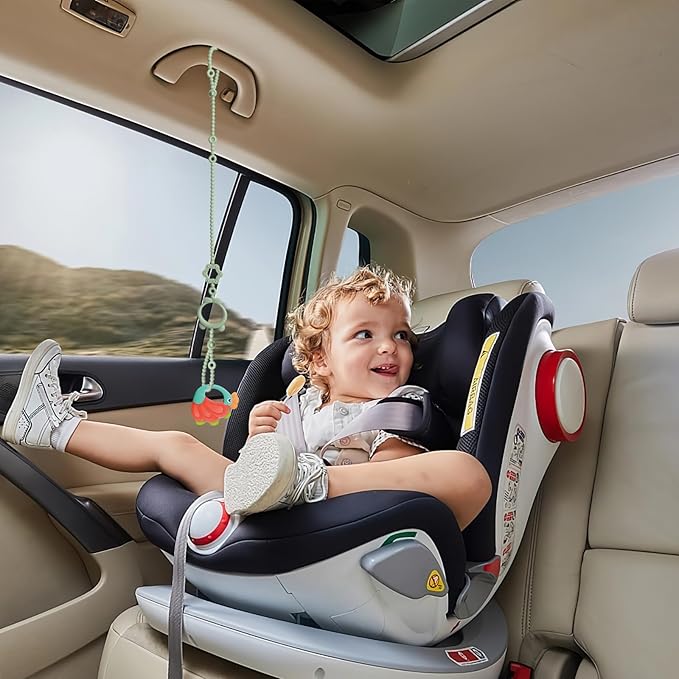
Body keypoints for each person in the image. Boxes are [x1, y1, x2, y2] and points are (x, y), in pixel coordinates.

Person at [1, 266, 491, 529]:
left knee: (465, 472)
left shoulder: (398, 402)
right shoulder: (300, 404)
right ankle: (54, 425)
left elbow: (397, 481)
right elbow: (252, 470)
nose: (390, 347)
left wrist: (314, 480)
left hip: (342, 518)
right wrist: (262, 437)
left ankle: (304, 484)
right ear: (320, 361)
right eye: (366, 334)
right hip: (273, 506)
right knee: (175, 444)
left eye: (402, 336)